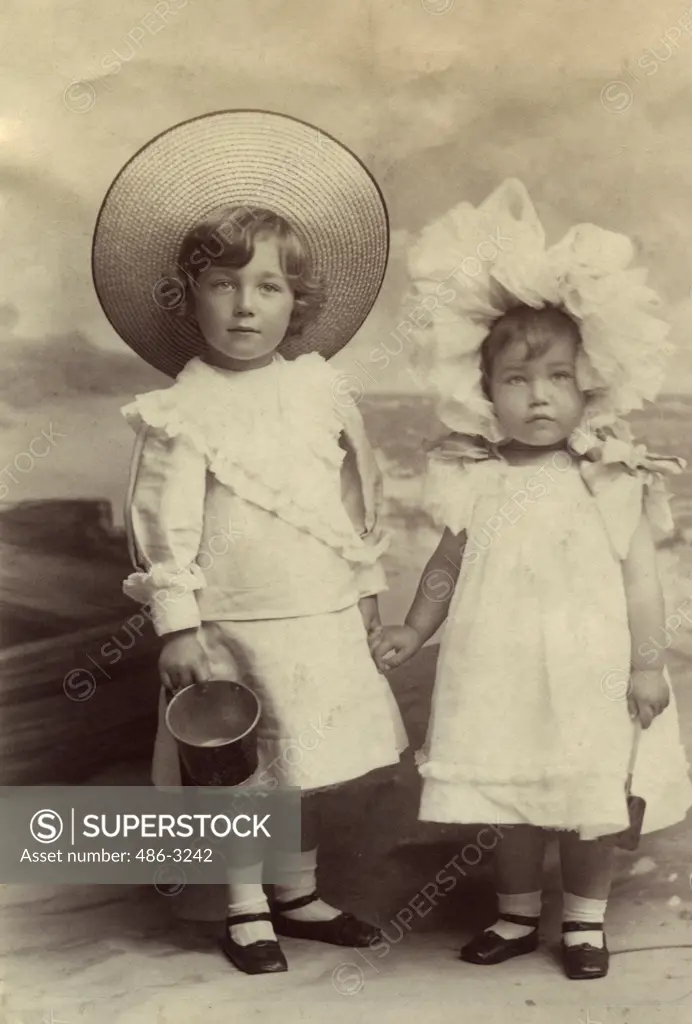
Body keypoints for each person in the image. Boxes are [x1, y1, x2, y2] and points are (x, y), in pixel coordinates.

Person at [92, 110, 407, 976]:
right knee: (236, 761)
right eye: (224, 286)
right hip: (234, 619)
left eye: (266, 287)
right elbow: (166, 529)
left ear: (296, 303)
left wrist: (366, 595)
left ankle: (297, 892)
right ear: (187, 298)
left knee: (303, 759)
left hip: (317, 608)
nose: (244, 305)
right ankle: (242, 908)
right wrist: (179, 626)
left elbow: (355, 501)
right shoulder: (181, 413)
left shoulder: (320, 393)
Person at [371, 179, 692, 980]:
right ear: (483, 391)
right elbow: (447, 563)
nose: (538, 396)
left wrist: (647, 662)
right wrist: (415, 627)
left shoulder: (611, 476)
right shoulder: (473, 473)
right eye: (516, 381)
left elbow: (640, 584)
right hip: (497, 667)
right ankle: (515, 914)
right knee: (509, 795)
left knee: (591, 797)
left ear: (589, 383)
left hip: (590, 670)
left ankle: (584, 921)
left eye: (556, 378)